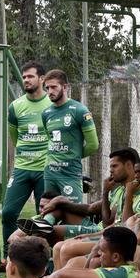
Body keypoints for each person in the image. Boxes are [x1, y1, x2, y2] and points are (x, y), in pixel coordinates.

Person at [1, 61, 50, 243]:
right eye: (24, 77)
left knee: (43, 216)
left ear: (42, 79)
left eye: (30, 76)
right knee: (8, 212)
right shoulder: (15, 106)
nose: (26, 80)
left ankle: (41, 254)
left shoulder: (51, 104)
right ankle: (8, 254)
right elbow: (15, 137)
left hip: (44, 170)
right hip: (21, 168)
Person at [40, 226, 139, 278]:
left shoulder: (119, 274)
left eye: (101, 250)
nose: (98, 252)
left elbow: (59, 277)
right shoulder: (129, 270)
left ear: (116, 257)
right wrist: (92, 254)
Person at [40, 69, 98, 202]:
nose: (49, 91)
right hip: (50, 173)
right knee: (48, 212)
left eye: (54, 87)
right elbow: (51, 141)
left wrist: (71, 155)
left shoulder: (79, 110)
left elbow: (93, 145)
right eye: (47, 88)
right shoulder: (46, 113)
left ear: (65, 87)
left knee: (73, 214)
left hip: (70, 172)